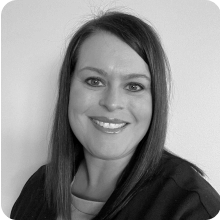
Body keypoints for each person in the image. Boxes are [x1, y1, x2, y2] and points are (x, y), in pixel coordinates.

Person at [10, 11, 220, 220]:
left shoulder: (193, 208)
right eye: (94, 81)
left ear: (156, 100)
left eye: (134, 86)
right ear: (68, 89)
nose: (111, 103)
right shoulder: (37, 187)